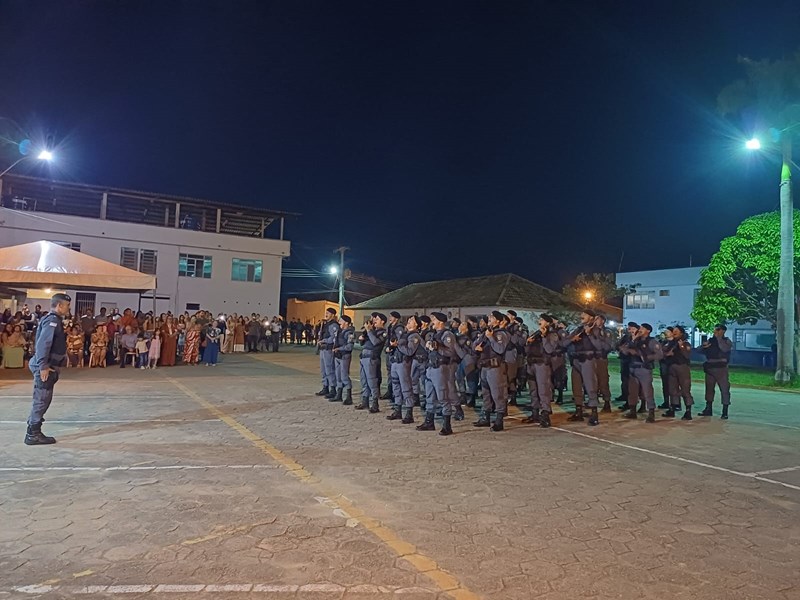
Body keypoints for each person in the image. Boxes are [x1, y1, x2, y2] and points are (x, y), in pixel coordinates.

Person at [25, 293, 71, 445]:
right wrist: (43, 366)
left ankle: (33, 429)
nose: (68, 308)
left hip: (49, 365)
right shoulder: (52, 320)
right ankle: (33, 434)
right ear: (59, 305)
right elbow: (43, 343)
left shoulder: (53, 320)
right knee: (42, 399)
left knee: (43, 399)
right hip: (46, 366)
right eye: (67, 305)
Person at [418, 312, 459, 435]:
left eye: (434, 320)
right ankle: (429, 422)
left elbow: (450, 352)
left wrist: (437, 348)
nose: (432, 322)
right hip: (431, 368)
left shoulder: (448, 335)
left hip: (441, 368)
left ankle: (447, 426)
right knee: (430, 397)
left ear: (441, 321)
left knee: (443, 397)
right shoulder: (435, 334)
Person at [562, 309, 603, 426]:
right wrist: (571, 339)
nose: (582, 316)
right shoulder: (578, 329)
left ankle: (594, 413)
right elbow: (564, 343)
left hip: (588, 360)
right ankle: (578, 411)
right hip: (576, 361)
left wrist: (589, 334)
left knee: (590, 386)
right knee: (576, 386)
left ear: (591, 318)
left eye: (584, 315)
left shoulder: (596, 330)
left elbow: (599, 346)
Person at [473, 311, 511, 432]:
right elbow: (475, 346)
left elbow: (500, 349)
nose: (489, 319)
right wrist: (481, 339)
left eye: (492, 318)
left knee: (497, 393)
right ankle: (486, 417)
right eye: (489, 317)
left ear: (499, 321)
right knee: (486, 394)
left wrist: (490, 337)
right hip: (484, 367)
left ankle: (499, 420)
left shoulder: (501, 334)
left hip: (495, 367)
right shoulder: (487, 332)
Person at [620, 323, 663, 422]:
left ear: (648, 331)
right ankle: (632, 411)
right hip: (633, 368)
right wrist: (632, 342)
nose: (640, 330)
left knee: (647, 391)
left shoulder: (652, 342)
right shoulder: (635, 340)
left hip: (644, 368)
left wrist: (646, 358)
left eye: (643, 328)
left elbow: (659, 355)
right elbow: (624, 350)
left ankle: (651, 412)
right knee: (632, 391)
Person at [523, 314, 559, 428]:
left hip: (542, 364)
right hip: (531, 363)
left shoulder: (552, 335)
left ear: (548, 323)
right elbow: (527, 349)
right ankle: (535, 413)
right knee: (533, 390)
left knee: (543, 390)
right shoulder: (536, 333)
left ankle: (545, 414)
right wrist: (528, 343)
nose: (540, 321)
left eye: (542, 320)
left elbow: (549, 349)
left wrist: (544, 337)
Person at [389, 315, 424, 424]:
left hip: (405, 363)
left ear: (417, 325)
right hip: (396, 362)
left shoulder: (414, 336)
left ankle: (409, 413)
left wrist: (397, 345)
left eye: (412, 320)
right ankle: (397, 410)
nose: (409, 321)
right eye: (409, 320)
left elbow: (409, 351)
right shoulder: (405, 334)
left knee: (406, 387)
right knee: (396, 386)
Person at [356, 312, 387, 413]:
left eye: (377, 319)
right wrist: (362, 338)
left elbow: (375, 342)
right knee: (364, 381)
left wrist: (369, 330)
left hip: (371, 358)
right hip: (364, 357)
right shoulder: (372, 331)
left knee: (372, 381)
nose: (374, 321)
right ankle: (365, 401)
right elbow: (364, 343)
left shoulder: (383, 332)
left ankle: (375, 403)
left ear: (382, 321)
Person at [699, 324, 733, 419]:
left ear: (723, 331)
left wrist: (719, 338)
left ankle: (725, 411)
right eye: (715, 329)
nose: (715, 331)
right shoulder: (711, 341)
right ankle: (708, 409)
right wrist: (704, 346)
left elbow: (724, 349)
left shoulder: (726, 341)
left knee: (724, 390)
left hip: (721, 369)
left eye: (718, 330)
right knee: (709, 389)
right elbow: (699, 350)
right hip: (710, 368)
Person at [663, 325, 693, 420]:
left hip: (682, 367)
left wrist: (682, 347)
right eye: (674, 330)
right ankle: (672, 408)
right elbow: (663, 352)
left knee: (685, 389)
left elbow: (687, 355)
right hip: (672, 368)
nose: (674, 332)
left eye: (677, 330)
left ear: (681, 333)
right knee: (672, 390)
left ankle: (688, 411)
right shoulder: (671, 343)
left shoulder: (685, 343)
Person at [316, 308, 340, 398]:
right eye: (326, 312)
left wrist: (324, 340)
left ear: (333, 315)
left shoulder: (334, 325)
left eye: (328, 313)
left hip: (328, 349)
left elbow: (333, 338)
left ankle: (332, 388)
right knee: (323, 370)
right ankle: (325, 387)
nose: (326, 314)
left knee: (329, 369)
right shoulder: (325, 324)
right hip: (323, 349)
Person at [331, 315, 356, 404]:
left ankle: (349, 397)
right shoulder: (340, 331)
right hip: (337, 356)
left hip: (344, 356)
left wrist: (339, 349)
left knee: (344, 376)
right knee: (338, 376)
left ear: (346, 322)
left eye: (341, 321)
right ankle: (339, 395)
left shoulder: (349, 333)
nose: (339, 322)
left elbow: (350, 346)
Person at [616, 322, 638, 407]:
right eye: (629, 328)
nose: (630, 329)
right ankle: (624, 395)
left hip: (632, 361)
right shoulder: (626, 337)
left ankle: (630, 401)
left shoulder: (637, 338)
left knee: (631, 382)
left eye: (632, 328)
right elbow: (618, 345)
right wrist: (621, 348)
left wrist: (627, 349)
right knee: (624, 380)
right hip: (624, 360)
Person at [382, 312, 403, 401]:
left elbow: (399, 340)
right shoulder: (389, 328)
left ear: (396, 319)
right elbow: (387, 339)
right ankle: (390, 391)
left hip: (395, 353)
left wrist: (391, 347)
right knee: (389, 373)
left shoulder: (399, 328)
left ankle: (396, 394)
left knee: (396, 375)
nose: (390, 318)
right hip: (389, 353)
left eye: (392, 317)